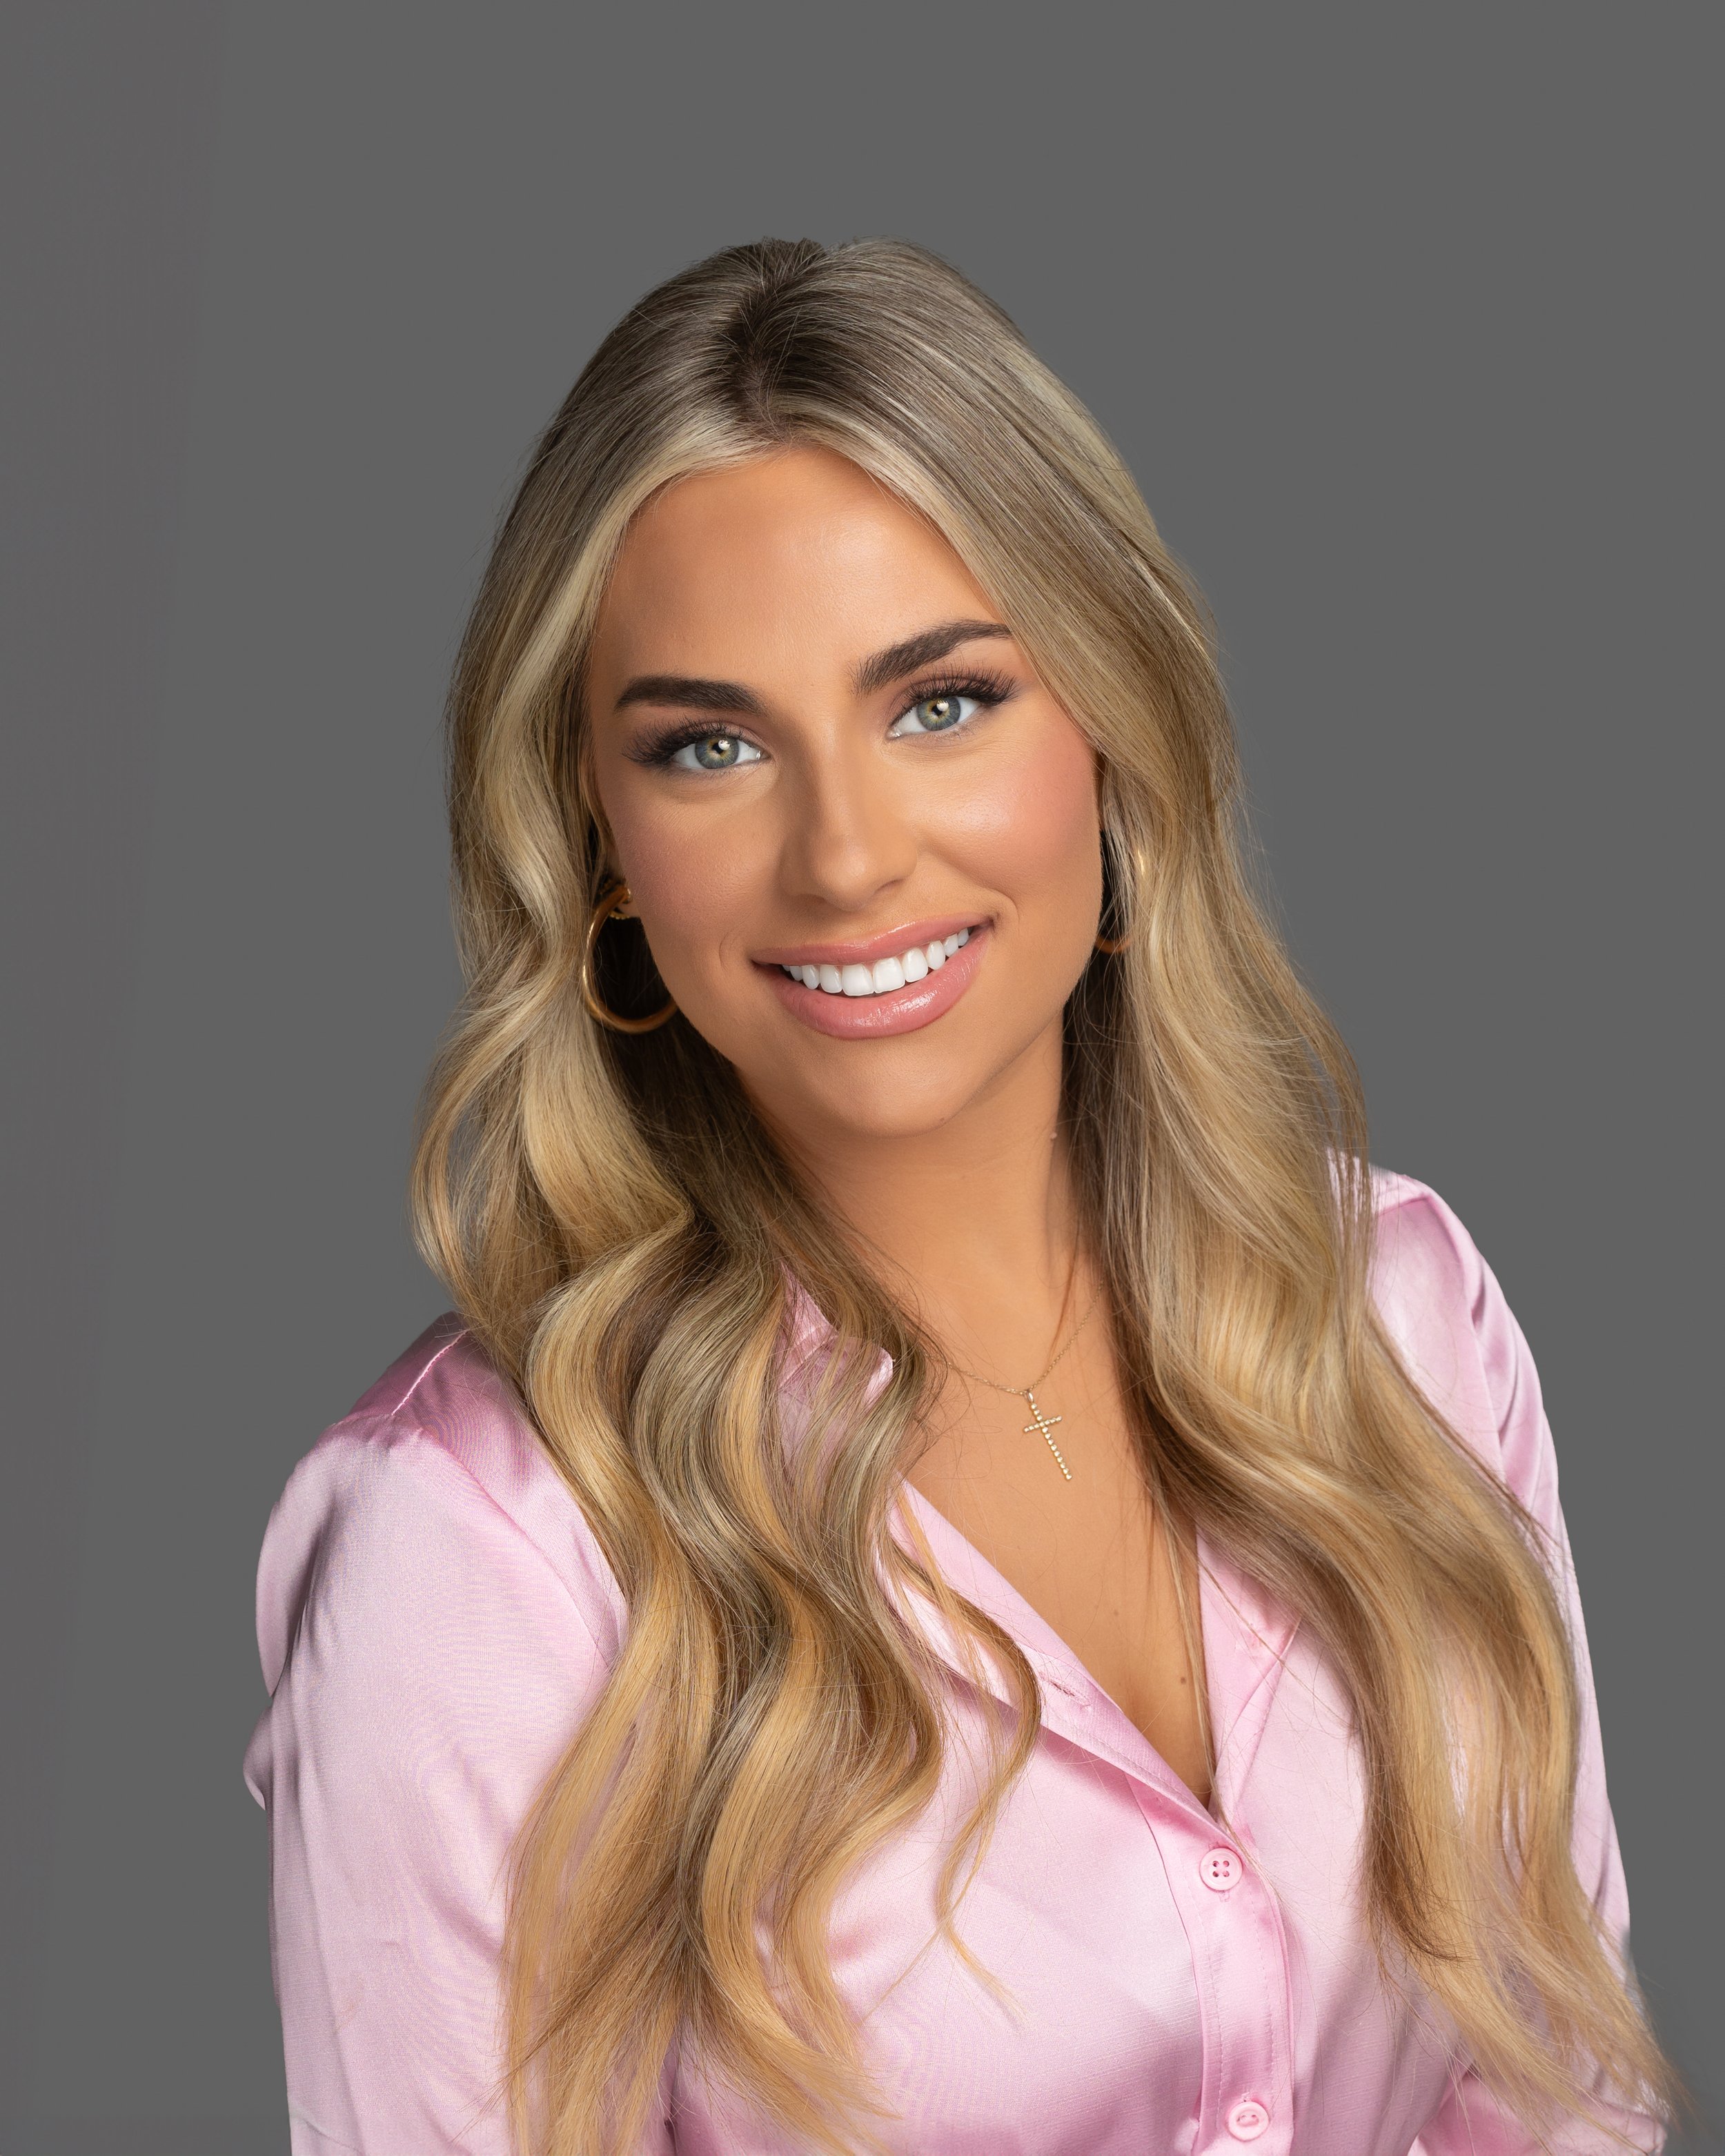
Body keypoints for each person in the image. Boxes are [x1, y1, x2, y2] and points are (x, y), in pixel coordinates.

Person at [243, 237, 1673, 2155]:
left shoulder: (1396, 1316)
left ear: (1109, 730)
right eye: (710, 746)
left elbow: (1555, 2085)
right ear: (598, 848)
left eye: (940, 702)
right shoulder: (487, 1559)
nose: (844, 855)